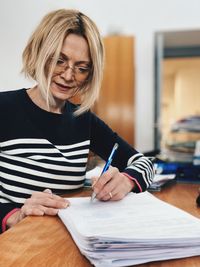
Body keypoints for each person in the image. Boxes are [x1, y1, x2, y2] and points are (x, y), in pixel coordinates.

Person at [0, 9, 154, 234]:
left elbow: (146, 164)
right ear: (39, 53)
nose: (69, 75)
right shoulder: (5, 108)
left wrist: (126, 180)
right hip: (15, 246)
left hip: (66, 243)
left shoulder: (84, 120)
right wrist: (15, 215)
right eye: (59, 61)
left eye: (82, 68)